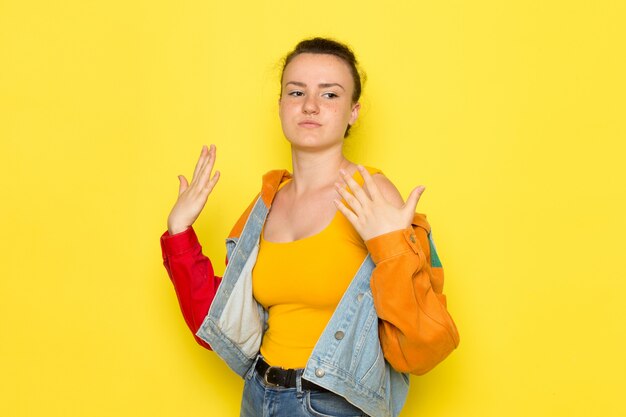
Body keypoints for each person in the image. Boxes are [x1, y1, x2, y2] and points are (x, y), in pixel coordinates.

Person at [160, 37, 459, 417]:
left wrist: (393, 250)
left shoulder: (372, 194)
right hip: (258, 396)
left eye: (330, 95)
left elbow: (422, 346)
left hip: (331, 404)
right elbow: (222, 327)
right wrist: (180, 232)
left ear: (354, 111)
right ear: (281, 105)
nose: (311, 106)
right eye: (296, 91)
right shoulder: (266, 203)